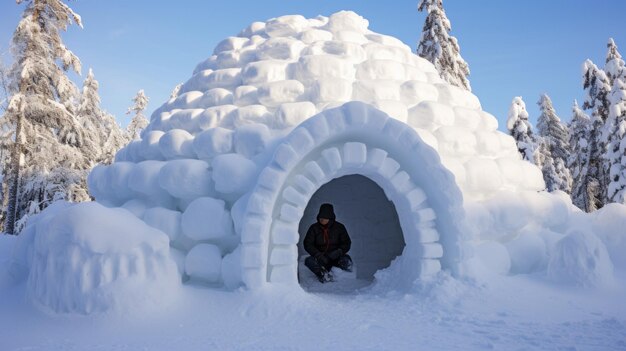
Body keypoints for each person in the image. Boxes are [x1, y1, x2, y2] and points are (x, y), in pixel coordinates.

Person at [303, 203, 352, 283]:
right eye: (321, 218)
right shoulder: (314, 228)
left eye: (325, 218)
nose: (322, 220)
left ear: (331, 218)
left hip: (336, 257)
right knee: (309, 261)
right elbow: (308, 244)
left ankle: (345, 279)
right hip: (321, 258)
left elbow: (346, 243)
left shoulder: (339, 227)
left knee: (346, 260)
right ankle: (323, 275)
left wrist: (338, 252)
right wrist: (318, 255)